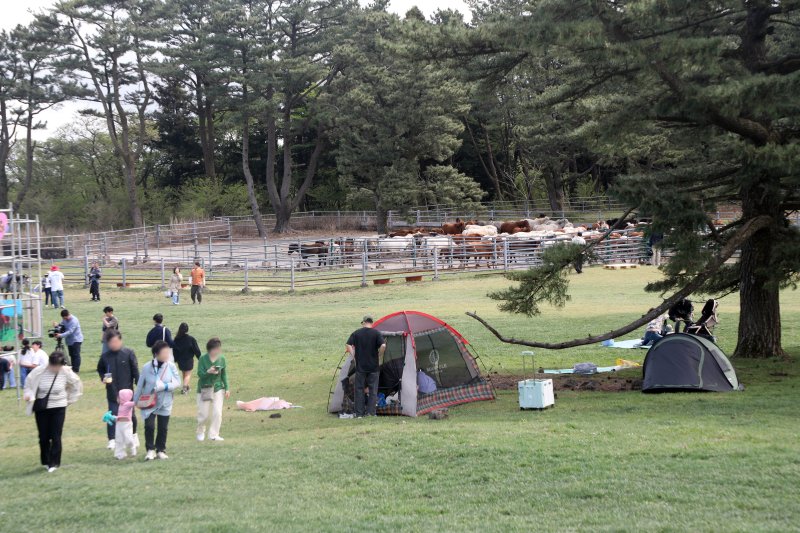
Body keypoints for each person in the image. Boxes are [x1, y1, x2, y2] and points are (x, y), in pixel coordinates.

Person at [23, 351, 82, 473]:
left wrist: (68, 400)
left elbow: (76, 385)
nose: (55, 369)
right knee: (43, 436)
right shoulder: (39, 371)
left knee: (56, 435)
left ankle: (54, 463)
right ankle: (45, 460)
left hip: (59, 407)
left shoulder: (66, 372)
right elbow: (28, 384)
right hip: (42, 408)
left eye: (58, 367)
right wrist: (29, 395)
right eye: (54, 366)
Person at [133, 340, 180, 460]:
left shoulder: (171, 366)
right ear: (156, 353)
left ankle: (161, 450)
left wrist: (165, 386)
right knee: (149, 426)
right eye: (164, 352)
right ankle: (150, 450)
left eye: (168, 352)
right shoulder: (147, 367)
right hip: (149, 401)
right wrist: (135, 401)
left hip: (165, 401)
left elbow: (177, 382)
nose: (167, 355)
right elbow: (140, 385)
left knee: (163, 427)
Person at [96, 330, 139, 450]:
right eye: (111, 342)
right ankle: (112, 439)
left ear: (120, 340)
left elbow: (135, 371)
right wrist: (103, 377)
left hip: (127, 392)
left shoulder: (128, 353)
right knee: (112, 414)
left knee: (131, 415)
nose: (114, 344)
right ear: (108, 343)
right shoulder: (105, 357)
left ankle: (134, 435)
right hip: (112, 391)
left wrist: (139, 387)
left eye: (116, 341)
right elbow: (100, 369)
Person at [345, 316, 386, 418]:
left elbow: (348, 344)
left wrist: (353, 355)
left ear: (363, 322)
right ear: (371, 323)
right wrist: (379, 354)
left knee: (359, 389)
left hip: (360, 367)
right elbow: (383, 346)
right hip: (373, 367)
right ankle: (371, 413)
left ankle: (359, 414)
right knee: (373, 390)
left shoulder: (357, 333)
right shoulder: (376, 333)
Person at [196, 337, 230, 441]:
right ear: (210, 349)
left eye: (219, 348)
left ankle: (214, 434)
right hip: (204, 388)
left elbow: (224, 374)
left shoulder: (222, 359)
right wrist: (208, 372)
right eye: (216, 348)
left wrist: (227, 388)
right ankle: (200, 431)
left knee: (217, 412)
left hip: (218, 388)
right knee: (204, 414)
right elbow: (200, 374)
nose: (218, 350)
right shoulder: (202, 359)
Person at [106, 388, 137, 460]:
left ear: (124, 397)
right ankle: (120, 454)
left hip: (126, 425)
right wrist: (114, 418)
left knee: (128, 438)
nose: (117, 398)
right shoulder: (120, 405)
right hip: (119, 424)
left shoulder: (128, 404)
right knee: (119, 439)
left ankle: (132, 447)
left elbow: (136, 403)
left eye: (119, 397)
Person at [173, 322, 201, 394]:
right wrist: (199, 357)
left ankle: (187, 387)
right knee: (188, 374)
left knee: (184, 374)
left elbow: (174, 350)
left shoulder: (176, 339)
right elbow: (196, 349)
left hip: (180, 360)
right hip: (188, 359)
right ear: (187, 329)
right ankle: (184, 388)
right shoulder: (190, 339)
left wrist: (175, 359)